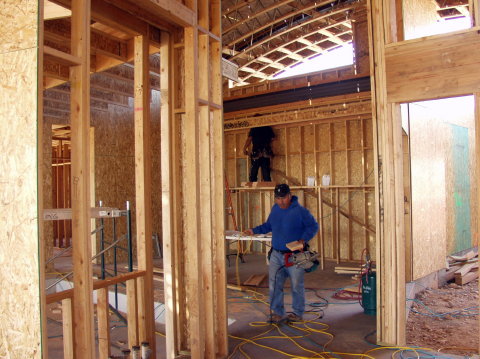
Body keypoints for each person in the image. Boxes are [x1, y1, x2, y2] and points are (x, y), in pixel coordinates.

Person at [244, 184, 319, 323]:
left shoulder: (300, 211)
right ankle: (277, 313)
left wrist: (304, 239)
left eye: (283, 198)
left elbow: (314, 226)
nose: (281, 201)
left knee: (296, 285)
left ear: (289, 196)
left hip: (295, 256)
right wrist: (253, 230)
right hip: (276, 255)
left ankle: (297, 313)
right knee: (274, 284)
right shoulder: (275, 209)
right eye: (278, 198)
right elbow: (268, 226)